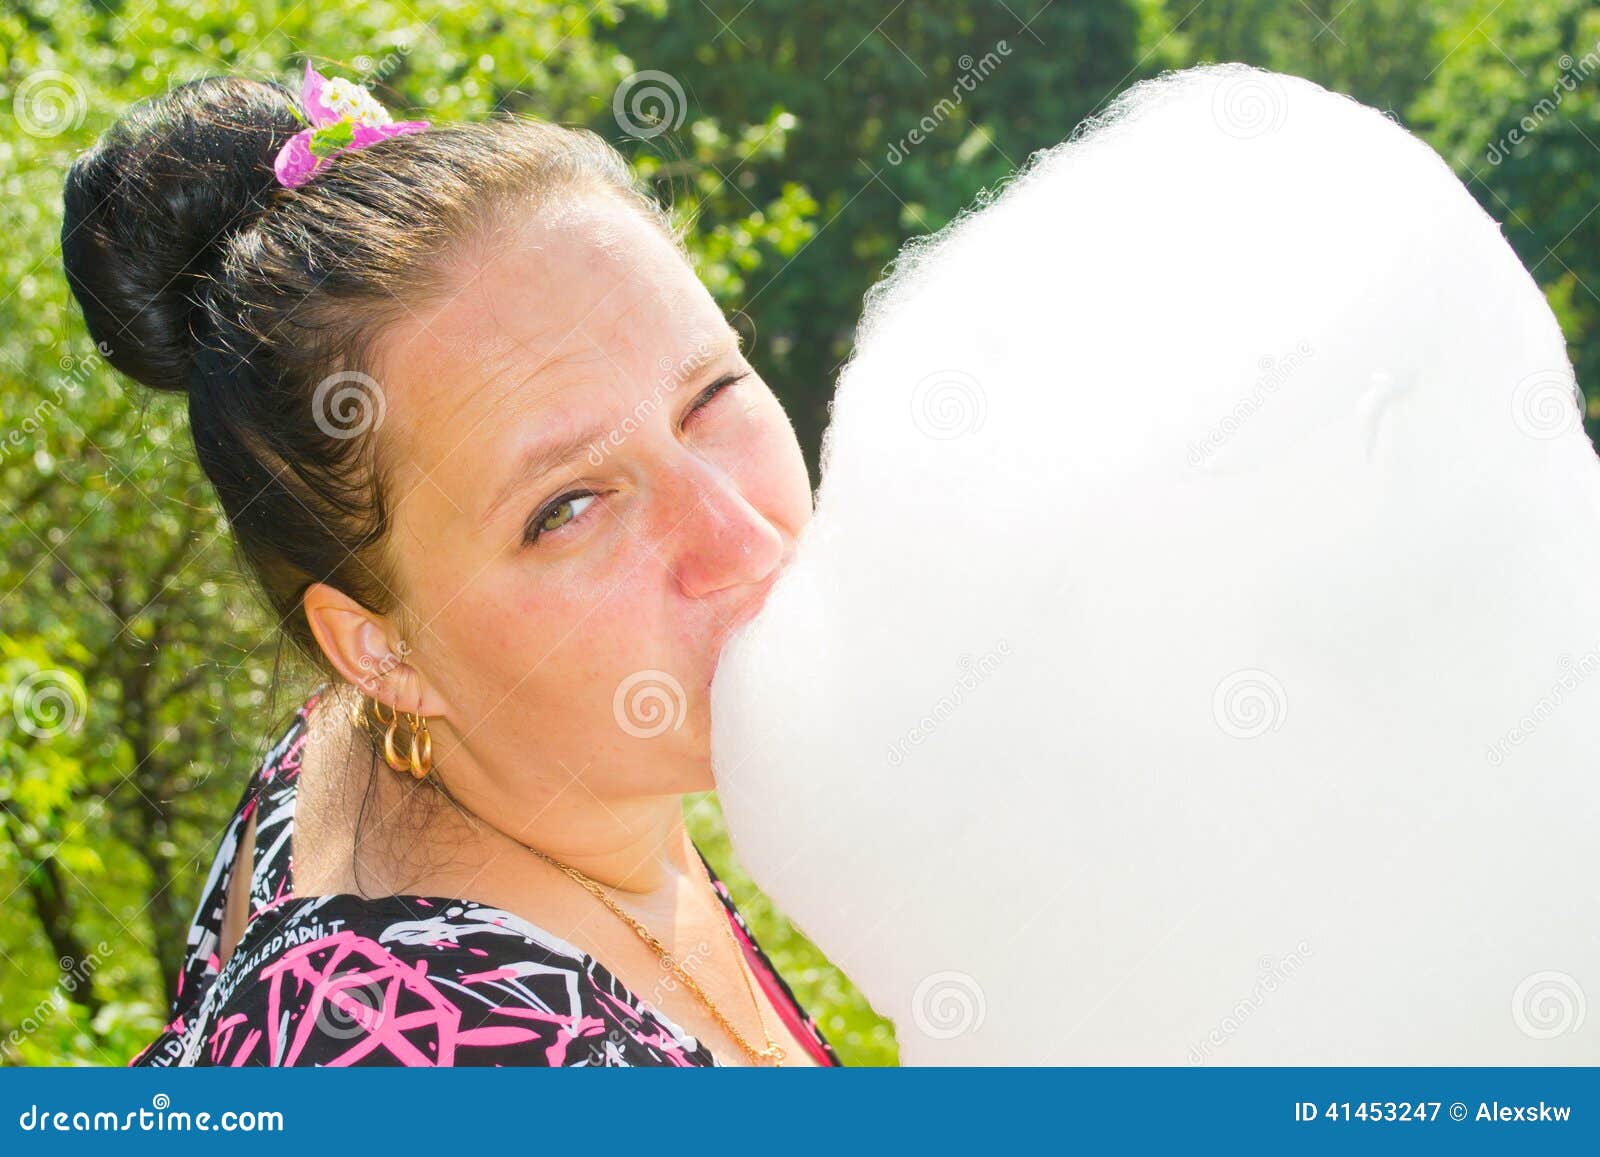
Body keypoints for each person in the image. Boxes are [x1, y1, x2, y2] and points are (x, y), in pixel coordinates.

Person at [59, 62, 838, 1067]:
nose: (741, 538)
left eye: (712, 394)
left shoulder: (436, 749)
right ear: (377, 648)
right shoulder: (415, 1052)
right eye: (565, 508)